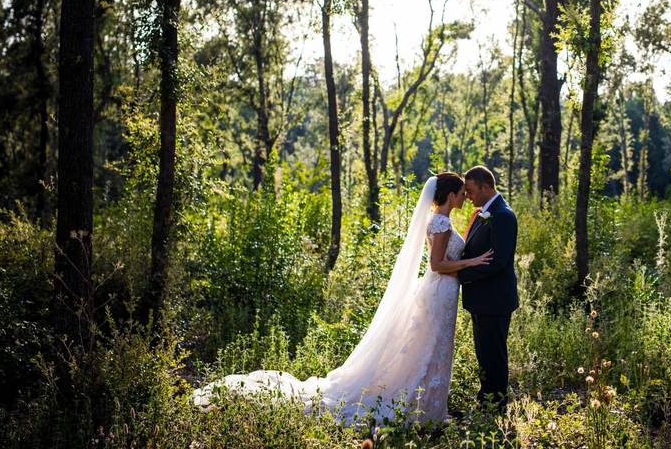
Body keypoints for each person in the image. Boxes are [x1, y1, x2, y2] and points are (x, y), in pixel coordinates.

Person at [191, 173, 493, 425]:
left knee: (433, 348)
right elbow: (437, 264)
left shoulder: (444, 220)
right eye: (461, 193)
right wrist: (471, 262)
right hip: (439, 289)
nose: (465, 197)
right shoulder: (439, 223)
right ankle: (420, 409)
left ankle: (429, 407)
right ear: (450, 195)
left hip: (444, 292)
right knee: (428, 349)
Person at [458, 165, 519, 409]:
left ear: (485, 186)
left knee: (494, 353)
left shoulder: (503, 215)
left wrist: (460, 275)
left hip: (495, 299)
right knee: (484, 351)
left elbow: (497, 261)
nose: (468, 195)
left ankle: (497, 403)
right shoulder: (484, 212)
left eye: (471, 190)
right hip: (481, 298)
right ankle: (486, 397)